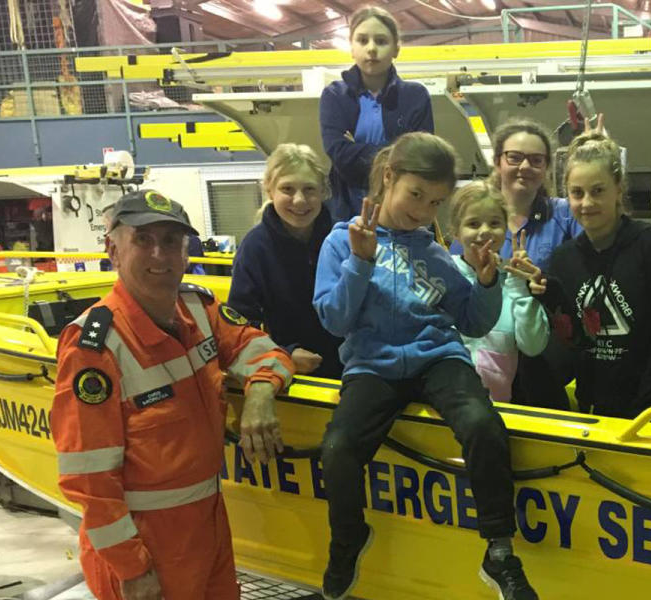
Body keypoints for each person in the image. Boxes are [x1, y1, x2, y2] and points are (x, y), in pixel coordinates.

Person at [314, 133, 539, 600]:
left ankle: (498, 550)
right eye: (416, 195)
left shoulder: (435, 252)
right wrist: (360, 261)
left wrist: (486, 279)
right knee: (338, 447)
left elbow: (474, 321)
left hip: (438, 358)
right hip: (372, 367)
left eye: (435, 202)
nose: (422, 211)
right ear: (389, 177)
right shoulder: (343, 240)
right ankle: (348, 538)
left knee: (483, 424)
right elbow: (335, 320)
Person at [51, 190, 295, 600]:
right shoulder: (94, 347)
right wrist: (131, 566)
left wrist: (259, 395)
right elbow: (88, 476)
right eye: (143, 240)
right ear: (113, 249)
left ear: (186, 253)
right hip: (146, 541)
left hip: (208, 524)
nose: (159, 255)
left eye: (171, 241)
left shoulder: (198, 310)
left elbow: (262, 350)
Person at [538, 132, 651, 418]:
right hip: (600, 388)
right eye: (577, 193)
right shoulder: (564, 259)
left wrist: (644, 403)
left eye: (598, 190)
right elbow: (572, 338)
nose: (587, 202)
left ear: (618, 189)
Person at [452, 118, 582, 410]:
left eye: (536, 160)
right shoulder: (472, 221)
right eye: (515, 157)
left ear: (546, 167)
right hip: (490, 345)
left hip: (542, 346)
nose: (525, 166)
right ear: (498, 161)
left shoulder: (565, 215)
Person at [229, 143, 343, 379]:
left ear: (323, 191)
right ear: (270, 191)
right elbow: (240, 325)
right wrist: (284, 353)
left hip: (352, 368)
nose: (300, 200)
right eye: (287, 189)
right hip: (287, 372)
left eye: (309, 189)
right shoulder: (255, 248)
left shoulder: (342, 239)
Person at [319, 5, 433, 223]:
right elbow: (339, 154)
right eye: (362, 40)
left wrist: (357, 149)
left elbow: (420, 158)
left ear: (396, 49)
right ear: (352, 48)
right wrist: (395, 152)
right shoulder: (334, 96)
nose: (371, 48)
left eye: (381, 41)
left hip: (405, 211)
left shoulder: (416, 96)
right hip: (347, 210)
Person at [449, 180, 549, 402]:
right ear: (456, 231)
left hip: (499, 415)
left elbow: (533, 347)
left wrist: (519, 285)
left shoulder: (513, 283)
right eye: (473, 224)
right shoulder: (443, 275)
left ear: (505, 229)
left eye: (494, 223)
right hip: (443, 412)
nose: (485, 232)